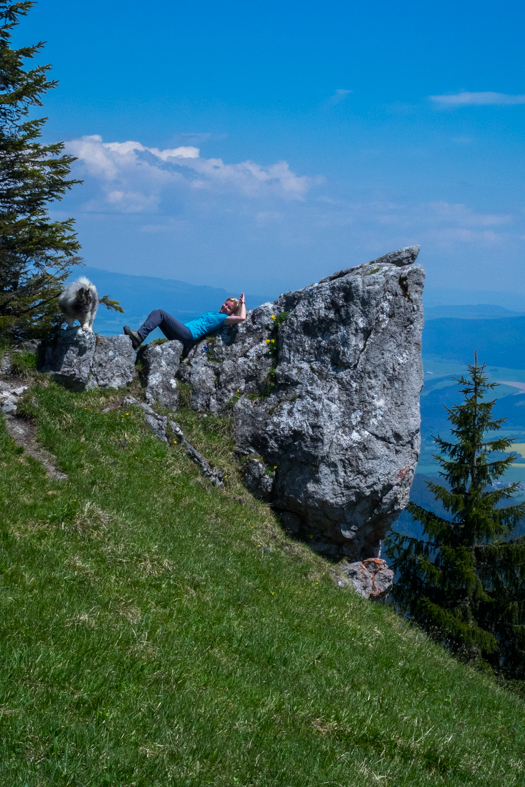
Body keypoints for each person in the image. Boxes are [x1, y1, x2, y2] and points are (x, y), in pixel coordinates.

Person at [123, 294, 247, 351]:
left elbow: (242, 318)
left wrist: (242, 303)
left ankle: (139, 337)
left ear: (231, 313)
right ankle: (136, 341)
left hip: (188, 335)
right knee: (157, 315)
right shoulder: (216, 314)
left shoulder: (223, 319)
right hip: (185, 332)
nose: (225, 307)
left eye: (229, 308)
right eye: (226, 304)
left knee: (160, 313)